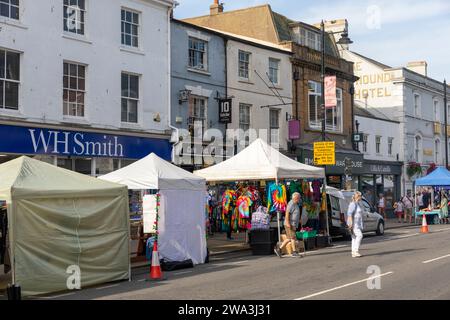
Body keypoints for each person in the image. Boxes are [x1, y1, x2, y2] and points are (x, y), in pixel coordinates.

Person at [275, 193, 302, 258]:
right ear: (295, 198)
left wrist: (299, 219)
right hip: (290, 224)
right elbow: (287, 213)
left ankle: (279, 249)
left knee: (289, 238)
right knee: (293, 237)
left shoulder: (295, 204)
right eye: (298, 198)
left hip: (293, 224)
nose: (299, 199)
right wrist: (287, 222)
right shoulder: (291, 203)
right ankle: (294, 252)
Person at [347, 191, 364, 258]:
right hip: (354, 224)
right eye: (360, 196)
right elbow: (349, 214)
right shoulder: (353, 204)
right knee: (360, 235)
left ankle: (353, 252)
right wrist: (350, 224)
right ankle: (356, 251)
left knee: (354, 238)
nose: (361, 197)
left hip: (357, 223)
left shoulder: (357, 203)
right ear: (358, 196)